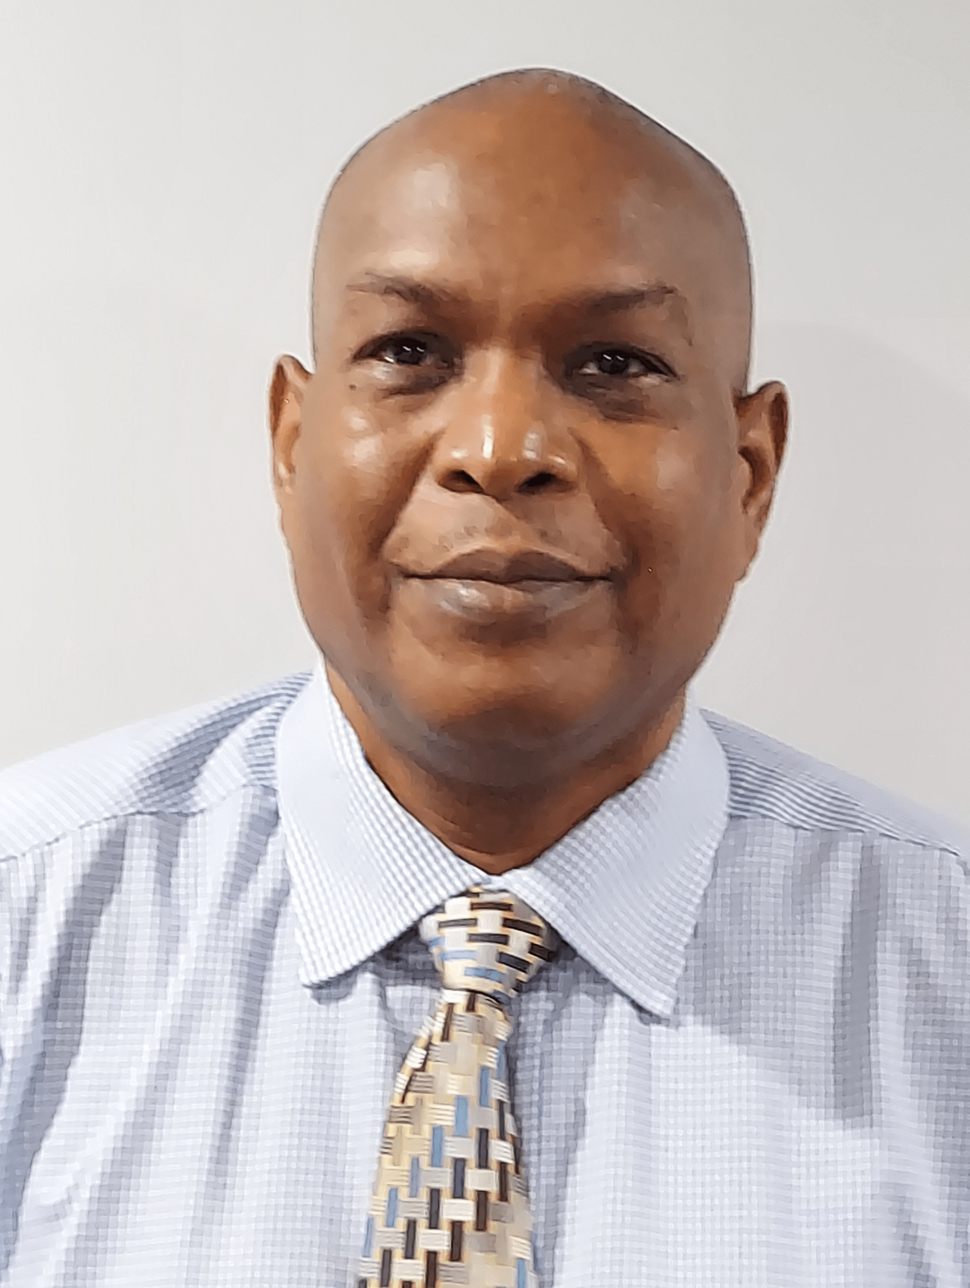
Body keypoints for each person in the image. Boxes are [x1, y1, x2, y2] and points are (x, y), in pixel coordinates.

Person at [0, 68, 967, 1288]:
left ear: (750, 475)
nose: (501, 449)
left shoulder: (943, 971)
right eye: (409, 351)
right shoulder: (25, 923)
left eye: (613, 363)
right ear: (292, 448)